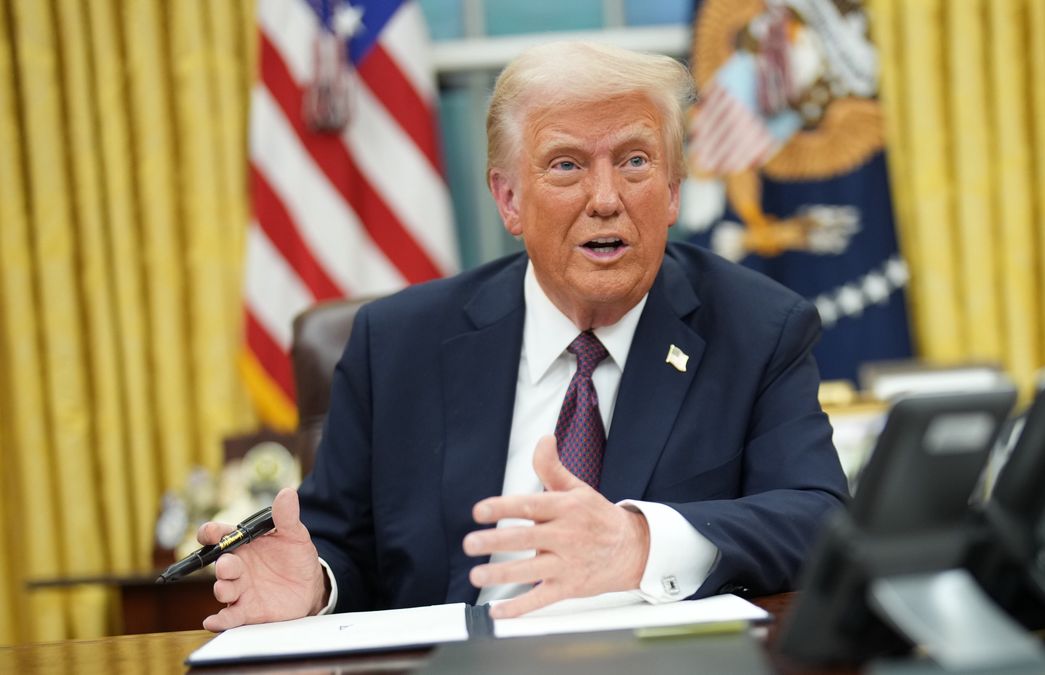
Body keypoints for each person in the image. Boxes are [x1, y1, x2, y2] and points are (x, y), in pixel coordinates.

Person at [198, 41, 848, 632]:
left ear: (674, 191)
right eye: (566, 165)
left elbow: (819, 520)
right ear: (508, 200)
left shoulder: (757, 329)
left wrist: (643, 542)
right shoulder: (396, 344)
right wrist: (315, 585)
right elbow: (341, 541)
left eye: (636, 161)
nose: (605, 197)